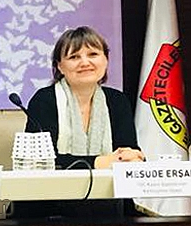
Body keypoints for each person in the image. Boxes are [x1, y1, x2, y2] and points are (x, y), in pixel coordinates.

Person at [25, 26, 144, 169]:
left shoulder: (118, 101)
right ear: (60, 66)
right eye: (74, 57)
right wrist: (98, 162)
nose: (85, 63)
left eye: (93, 54)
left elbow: (127, 151)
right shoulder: (44, 100)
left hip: (110, 182)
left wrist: (132, 157)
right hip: (56, 183)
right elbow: (39, 160)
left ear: (106, 60)